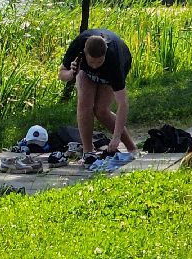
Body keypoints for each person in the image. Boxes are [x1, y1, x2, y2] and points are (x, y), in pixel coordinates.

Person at [58, 29, 136, 163]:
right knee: (84, 104)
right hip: (84, 72)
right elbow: (61, 74)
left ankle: (131, 148)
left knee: (101, 110)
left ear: (105, 55)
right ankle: (88, 151)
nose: (94, 67)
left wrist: (116, 137)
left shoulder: (114, 61)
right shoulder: (78, 46)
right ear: (84, 53)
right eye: (91, 62)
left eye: (99, 62)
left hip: (116, 66)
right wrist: (72, 73)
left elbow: (122, 103)